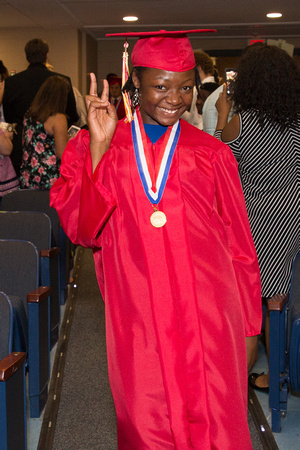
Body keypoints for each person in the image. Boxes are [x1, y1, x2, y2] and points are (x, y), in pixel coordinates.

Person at [50, 30, 262, 449]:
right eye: (160, 86)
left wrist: (250, 326)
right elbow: (83, 229)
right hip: (139, 323)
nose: (175, 98)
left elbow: (239, 245)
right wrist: (97, 145)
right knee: (147, 426)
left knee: (215, 427)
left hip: (210, 320)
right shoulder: (101, 145)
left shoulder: (212, 152)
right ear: (135, 86)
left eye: (185, 86)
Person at [214, 44, 300, 392]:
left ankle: (240, 384)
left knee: (252, 306)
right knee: (281, 303)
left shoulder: (240, 123)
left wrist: (222, 114)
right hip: (293, 219)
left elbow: (217, 163)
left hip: (255, 223)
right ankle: (282, 372)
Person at [2, 38, 78, 176]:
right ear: (47, 55)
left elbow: (8, 116)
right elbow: (72, 114)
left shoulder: (11, 82)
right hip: (54, 150)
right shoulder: (61, 80)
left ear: (26, 56)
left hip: (23, 149)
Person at [20, 75, 69, 189]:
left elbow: (24, 143)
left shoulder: (29, 114)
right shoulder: (58, 118)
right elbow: (62, 153)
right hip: (49, 178)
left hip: (28, 175)